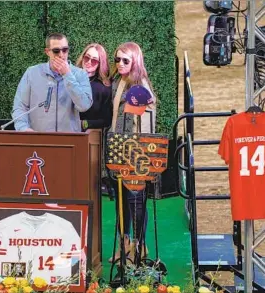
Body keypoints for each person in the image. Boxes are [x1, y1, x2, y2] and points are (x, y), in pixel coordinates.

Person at [107, 42, 157, 263]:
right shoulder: (119, 83)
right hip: (118, 148)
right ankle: (124, 244)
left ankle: (139, 246)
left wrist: (142, 155)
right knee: (121, 200)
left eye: (125, 60)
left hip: (137, 152)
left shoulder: (141, 86)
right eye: (117, 59)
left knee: (136, 200)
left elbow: (145, 126)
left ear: (135, 60)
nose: (119, 64)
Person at [11, 33, 93, 132]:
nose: (61, 55)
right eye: (56, 51)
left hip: (69, 142)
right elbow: (20, 106)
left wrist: (67, 75)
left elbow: (84, 105)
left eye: (65, 50)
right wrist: (23, 128)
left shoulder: (80, 74)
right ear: (47, 52)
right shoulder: (32, 73)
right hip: (38, 140)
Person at [75, 43, 112, 131]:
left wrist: (84, 123)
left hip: (87, 136)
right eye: (87, 57)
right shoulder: (70, 79)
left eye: (94, 60)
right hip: (64, 132)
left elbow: (106, 120)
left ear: (100, 64)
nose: (89, 62)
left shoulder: (103, 88)